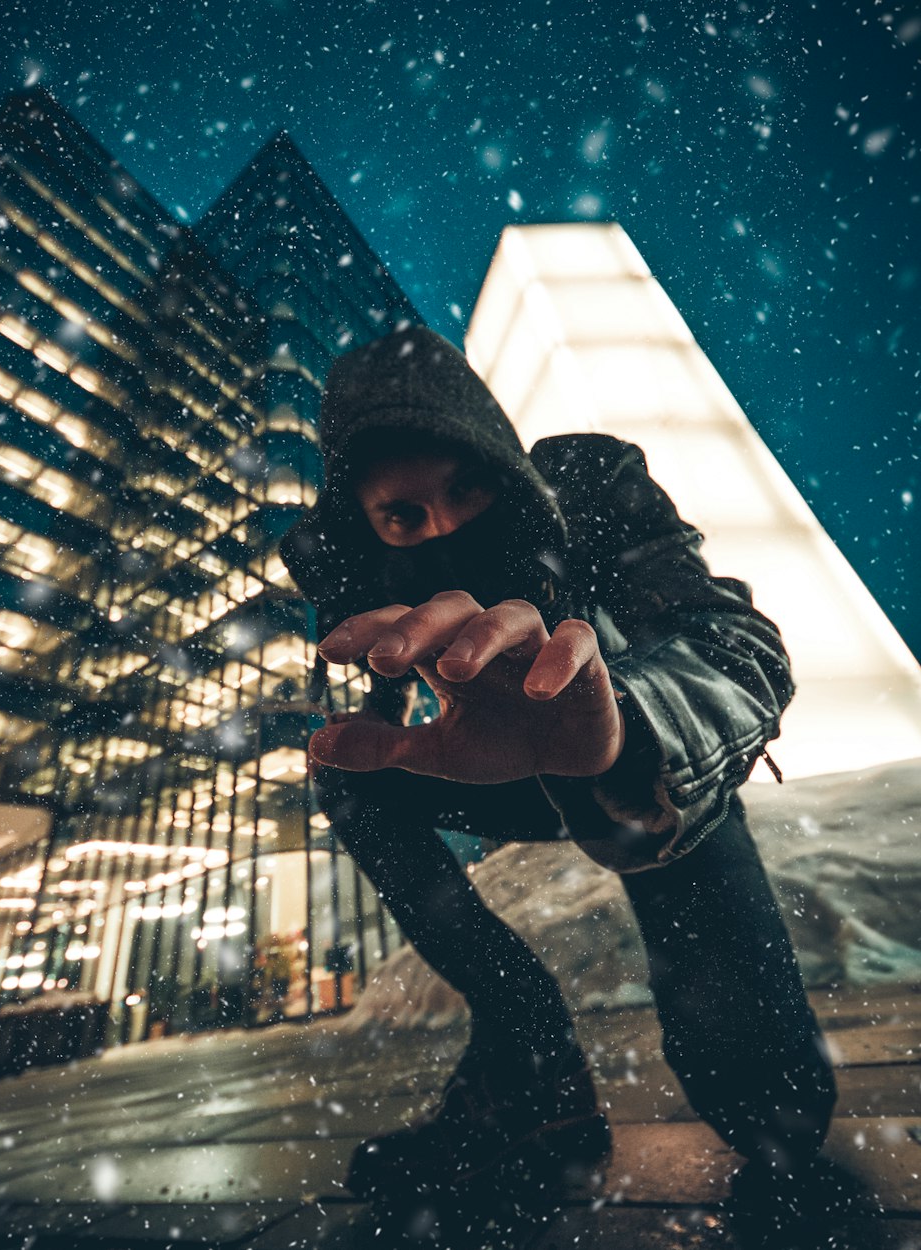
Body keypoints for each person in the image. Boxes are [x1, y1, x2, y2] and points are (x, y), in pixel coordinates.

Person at [279, 325, 836, 1200]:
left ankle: (753, 1097)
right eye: (404, 515)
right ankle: (525, 1049)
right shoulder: (360, 576)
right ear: (370, 526)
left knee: (775, 1111)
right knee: (348, 774)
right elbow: (363, 735)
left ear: (504, 466)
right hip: (491, 772)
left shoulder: (593, 487)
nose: (446, 529)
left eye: (468, 489)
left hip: (641, 775)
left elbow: (739, 645)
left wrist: (624, 736)